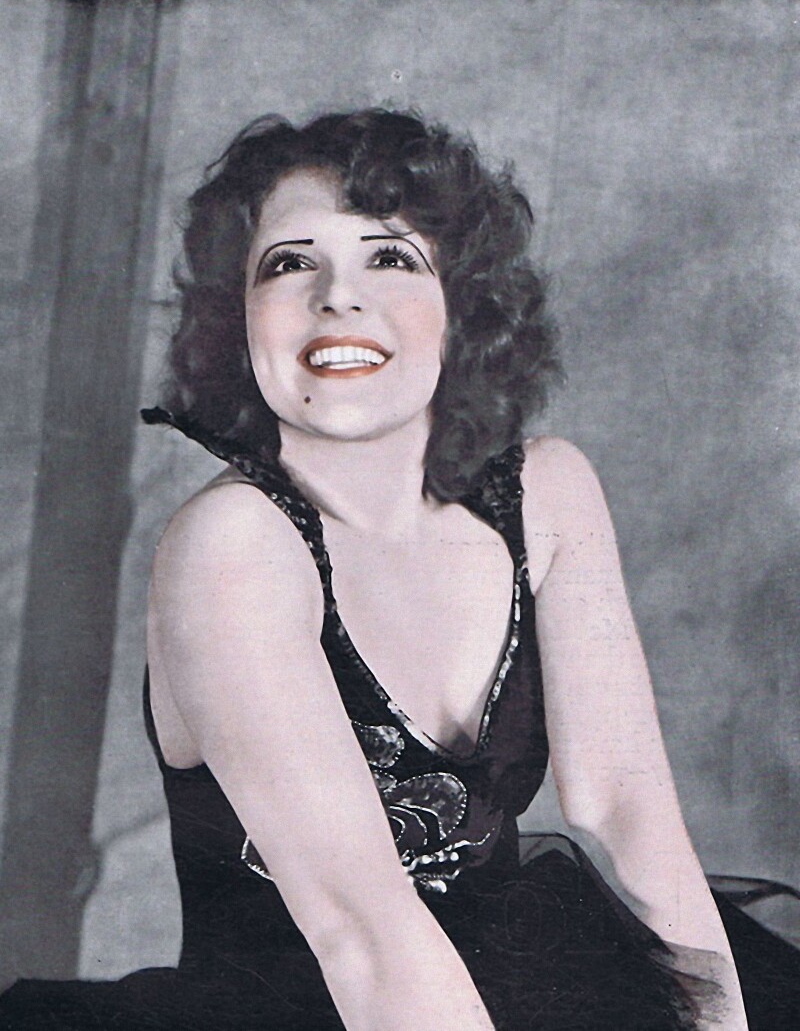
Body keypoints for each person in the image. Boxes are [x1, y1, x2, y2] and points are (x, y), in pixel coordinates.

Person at [1, 108, 798, 1031]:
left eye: (390, 257)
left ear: (463, 306)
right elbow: (364, 936)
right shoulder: (233, 546)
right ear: (237, 319)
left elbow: (629, 814)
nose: (337, 297)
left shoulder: (547, 493)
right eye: (288, 263)